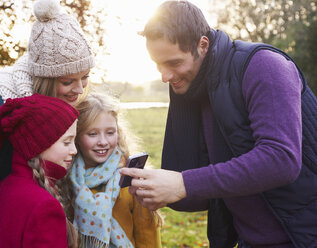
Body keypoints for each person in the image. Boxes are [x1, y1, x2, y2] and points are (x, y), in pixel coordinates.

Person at [120, 1, 317, 247]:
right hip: (248, 240)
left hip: (302, 236)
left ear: (202, 45)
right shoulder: (191, 88)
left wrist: (184, 183)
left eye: (174, 63)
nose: (165, 76)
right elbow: (202, 193)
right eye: (158, 64)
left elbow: (281, 159)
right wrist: (161, 188)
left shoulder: (265, 66)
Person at [0, 0, 94, 246]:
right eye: (68, 81)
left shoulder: (65, 109)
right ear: (44, 77)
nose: (79, 89)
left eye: (85, 77)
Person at [0, 94, 79, 248]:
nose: (74, 150)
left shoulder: (3, 187)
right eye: (67, 142)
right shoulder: (45, 206)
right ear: (38, 144)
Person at [70, 92, 162, 248]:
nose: (103, 142)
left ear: (118, 133)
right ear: (77, 135)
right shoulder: (68, 177)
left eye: (110, 133)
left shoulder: (131, 176)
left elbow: (146, 231)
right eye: (92, 134)